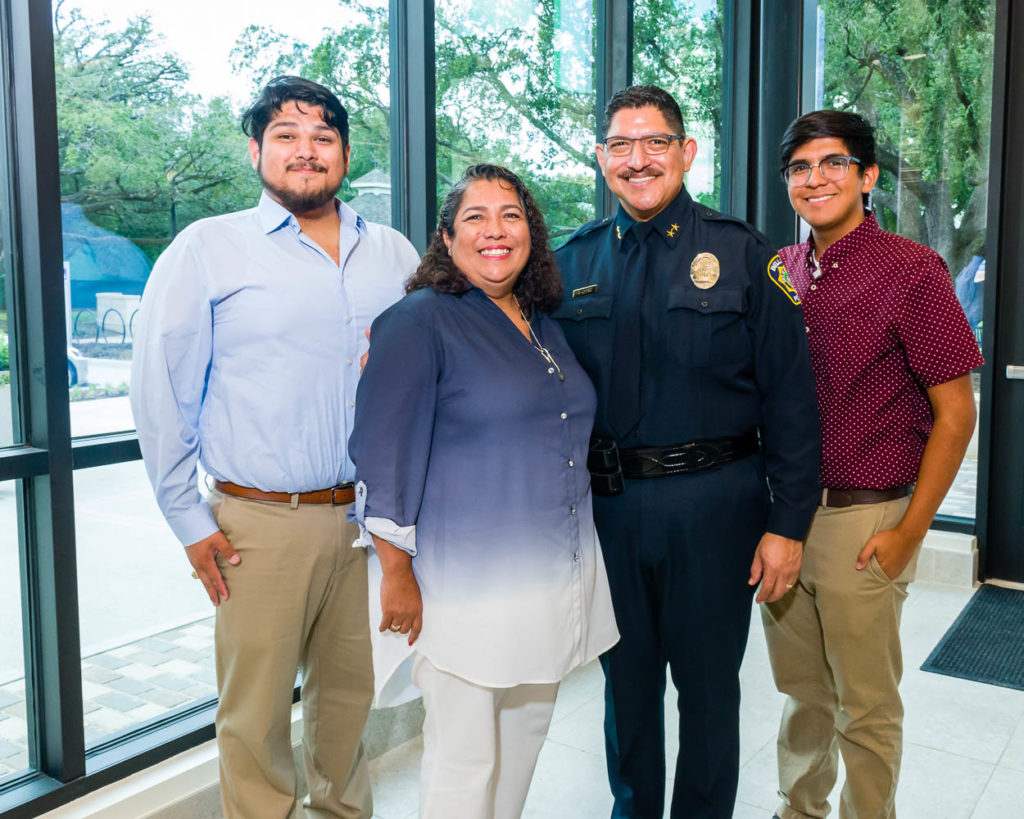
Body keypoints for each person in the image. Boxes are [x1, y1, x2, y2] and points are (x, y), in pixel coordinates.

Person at [130, 76, 419, 819]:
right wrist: (188, 519)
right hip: (258, 525)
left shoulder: (391, 252)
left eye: (323, 137)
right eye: (287, 136)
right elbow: (163, 392)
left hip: (368, 520)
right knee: (255, 719)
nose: (306, 151)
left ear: (346, 155)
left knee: (350, 707)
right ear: (257, 150)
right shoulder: (208, 249)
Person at [553, 85, 821, 818]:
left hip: (718, 507)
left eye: (655, 143)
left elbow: (793, 400)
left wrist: (788, 524)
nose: (638, 160)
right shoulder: (568, 263)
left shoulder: (741, 253)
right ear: (602, 158)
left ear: (686, 152)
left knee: (708, 693)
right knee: (627, 689)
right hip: (610, 511)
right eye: (621, 146)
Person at [348, 164, 619, 819]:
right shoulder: (417, 322)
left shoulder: (543, 324)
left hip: (553, 577)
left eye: (510, 215)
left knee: (523, 741)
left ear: (531, 233)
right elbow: (381, 455)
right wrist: (395, 571)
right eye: (476, 216)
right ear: (447, 235)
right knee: (465, 764)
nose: (494, 231)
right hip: (461, 587)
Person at [762, 110, 983, 819]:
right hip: (786, 516)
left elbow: (957, 412)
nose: (814, 179)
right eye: (800, 167)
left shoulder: (912, 271)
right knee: (802, 693)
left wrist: (912, 530)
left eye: (831, 163)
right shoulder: (780, 270)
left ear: (867, 176)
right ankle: (799, 809)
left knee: (865, 705)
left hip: (865, 517)